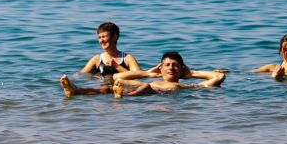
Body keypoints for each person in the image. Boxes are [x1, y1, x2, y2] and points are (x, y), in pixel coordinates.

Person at [60, 51, 225, 97]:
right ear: (160, 68)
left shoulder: (186, 85)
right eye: (166, 65)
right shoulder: (152, 79)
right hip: (144, 87)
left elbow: (218, 77)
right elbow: (118, 76)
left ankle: (122, 97)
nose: (170, 68)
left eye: (175, 66)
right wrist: (147, 73)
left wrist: (191, 73)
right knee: (108, 86)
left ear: (182, 69)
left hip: (154, 91)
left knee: (143, 86)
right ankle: (75, 90)